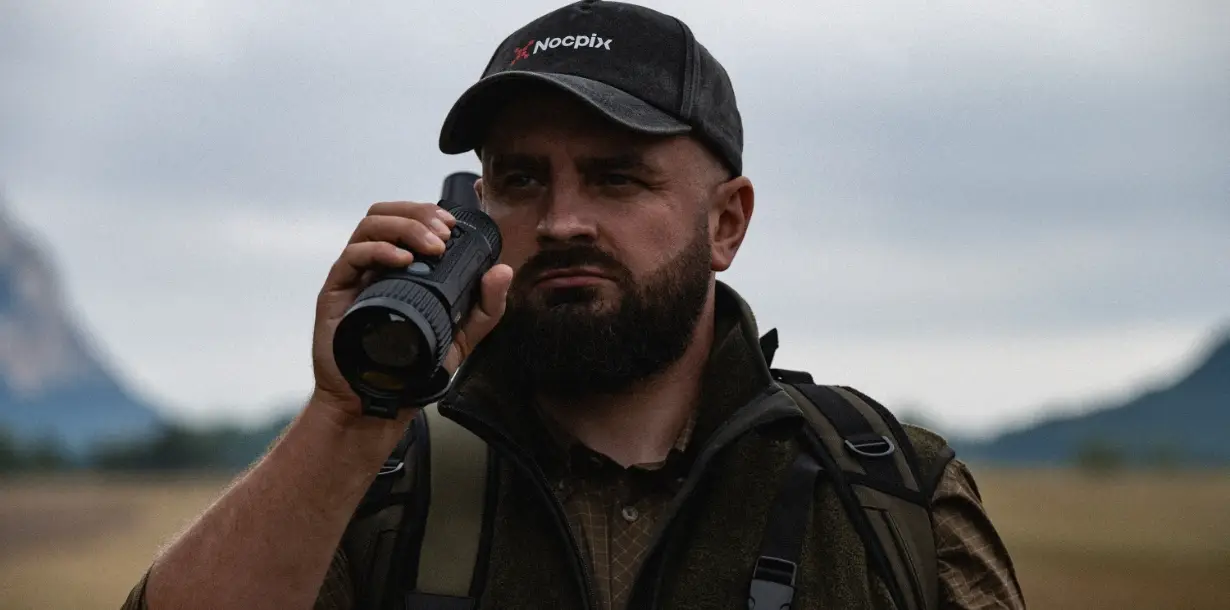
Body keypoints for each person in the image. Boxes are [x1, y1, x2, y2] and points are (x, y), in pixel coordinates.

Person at [121, 1, 1026, 609]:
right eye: (520, 180)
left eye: (617, 177)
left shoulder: (885, 492)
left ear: (726, 223)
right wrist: (348, 417)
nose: (560, 221)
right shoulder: (379, 487)